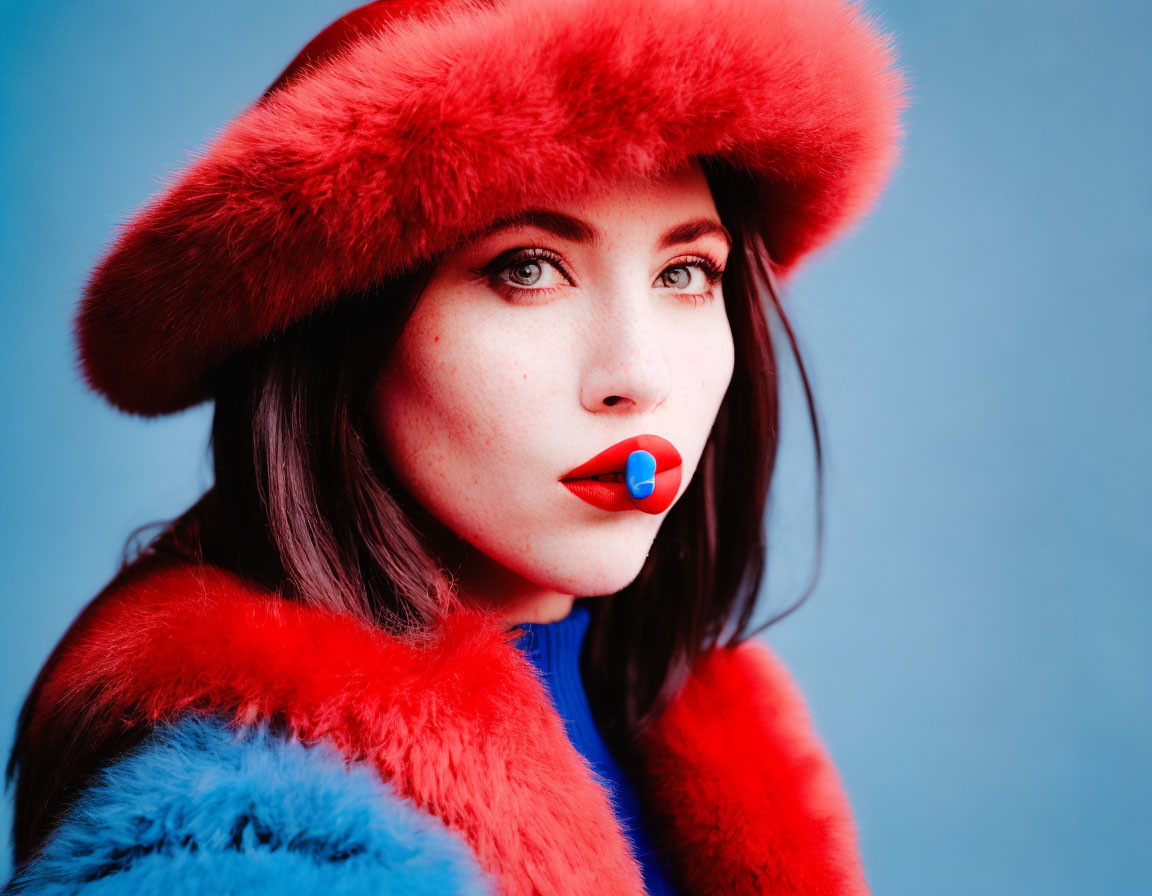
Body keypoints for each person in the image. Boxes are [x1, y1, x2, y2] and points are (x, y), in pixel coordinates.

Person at [2, 0, 908, 892]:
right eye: (527, 268)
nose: (640, 375)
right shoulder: (245, 845)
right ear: (342, 335)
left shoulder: (682, 731)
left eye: (685, 272)